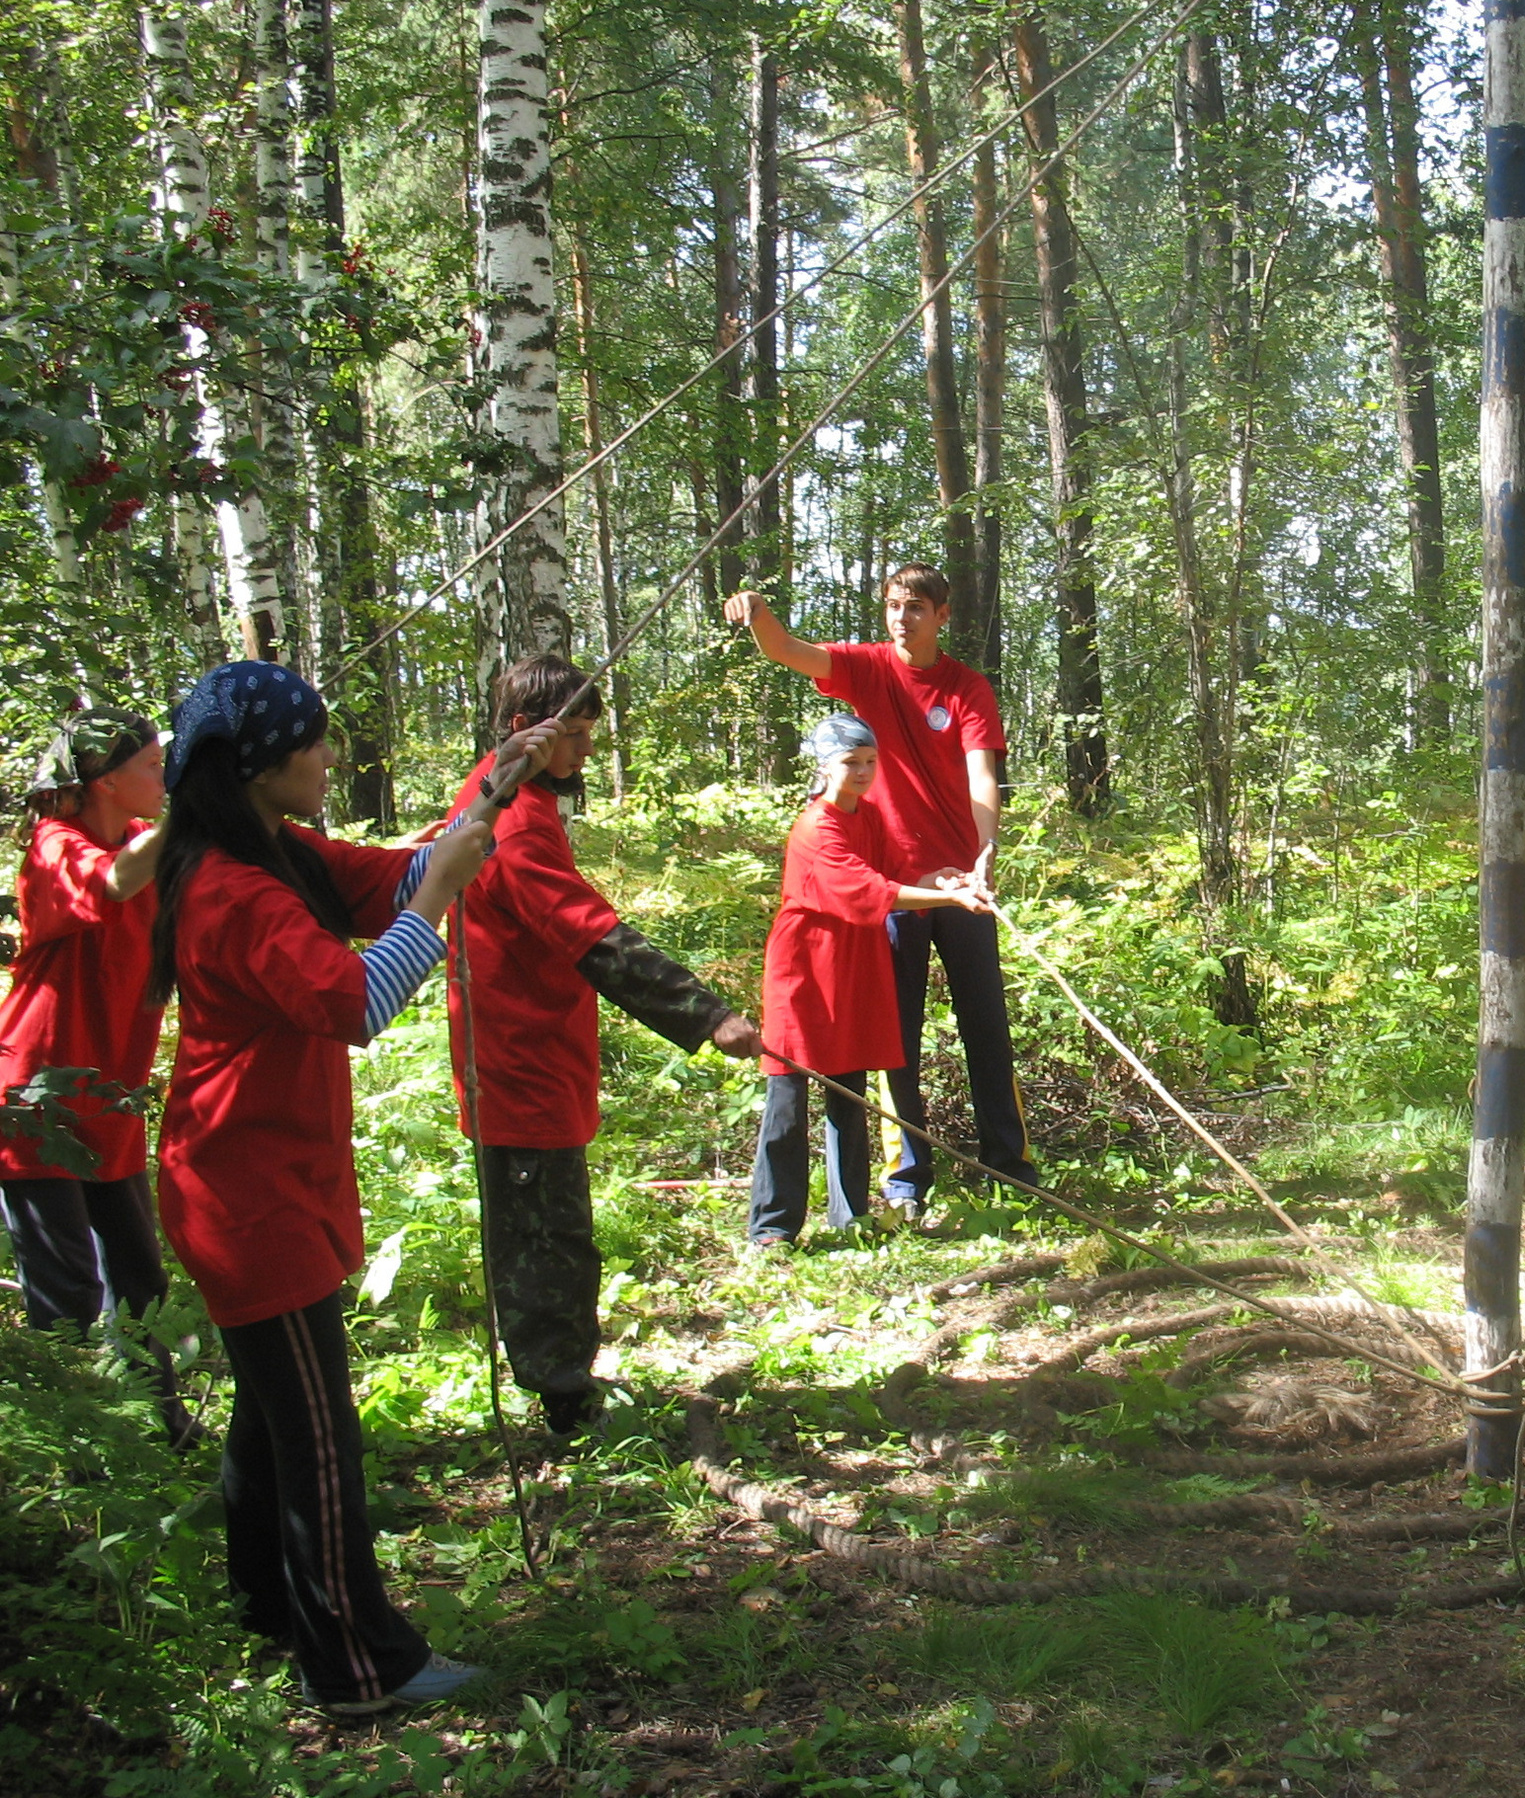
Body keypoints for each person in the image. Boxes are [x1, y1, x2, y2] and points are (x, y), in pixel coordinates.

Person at [149, 661, 547, 1718]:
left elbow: (381, 880)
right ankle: (357, 1665)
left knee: (271, 1419)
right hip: (247, 1199)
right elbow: (359, 999)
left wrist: (489, 792)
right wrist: (441, 892)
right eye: (313, 744)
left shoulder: (272, 849)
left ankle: (265, 1608)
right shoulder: (234, 891)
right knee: (319, 1435)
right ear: (258, 767)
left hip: (263, 1182)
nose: (331, 757)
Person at [447, 655, 761, 1435]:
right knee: (544, 1237)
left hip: (539, 1049)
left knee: (556, 1225)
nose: (586, 754)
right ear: (529, 733)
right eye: (576, 737)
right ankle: (563, 1403)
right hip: (513, 1060)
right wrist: (707, 1016)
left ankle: (564, 1385)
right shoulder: (509, 819)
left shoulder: (516, 793)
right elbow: (589, 933)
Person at [725, 568, 1031, 1210]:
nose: (902, 618)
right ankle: (907, 1181)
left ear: (942, 615)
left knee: (987, 1026)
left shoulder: (966, 687)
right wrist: (757, 612)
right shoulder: (865, 669)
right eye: (893, 607)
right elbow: (787, 650)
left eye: (915, 608)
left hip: (959, 882)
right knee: (897, 1037)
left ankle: (1009, 1168)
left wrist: (981, 855)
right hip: (893, 882)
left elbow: (982, 777)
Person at [0, 709, 192, 1438]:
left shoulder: (145, 841)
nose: (163, 781)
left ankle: (160, 1430)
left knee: (140, 1280)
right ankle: (83, 1456)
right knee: (69, 1295)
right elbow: (110, 882)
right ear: (106, 783)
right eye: (151, 768)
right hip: (36, 1103)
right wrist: (193, 810)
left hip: (108, 1104)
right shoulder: (57, 847)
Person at [753, 714, 996, 1244]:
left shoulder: (867, 819)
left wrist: (941, 878)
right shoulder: (816, 828)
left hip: (856, 970)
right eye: (850, 763)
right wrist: (947, 899)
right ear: (823, 766)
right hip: (806, 973)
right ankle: (773, 1228)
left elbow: (895, 875)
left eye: (869, 762)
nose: (863, 773)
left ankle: (850, 1215)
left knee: (851, 1092)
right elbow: (870, 892)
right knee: (789, 1097)